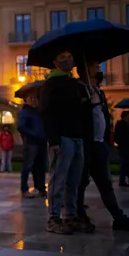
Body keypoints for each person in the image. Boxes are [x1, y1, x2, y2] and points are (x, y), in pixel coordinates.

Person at [75, 61, 129, 232]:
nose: (99, 65)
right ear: (85, 67)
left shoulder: (98, 90)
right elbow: (73, 115)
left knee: (105, 183)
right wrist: (86, 102)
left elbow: (104, 117)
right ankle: (79, 216)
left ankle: (118, 217)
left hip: (99, 144)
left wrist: (106, 141)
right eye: (95, 64)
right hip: (86, 144)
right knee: (81, 182)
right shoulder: (78, 90)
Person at [40, 50, 87, 235]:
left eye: (69, 56)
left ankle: (71, 215)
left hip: (77, 137)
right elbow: (46, 111)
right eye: (62, 57)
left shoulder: (74, 83)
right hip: (62, 138)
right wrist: (54, 139)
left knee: (73, 180)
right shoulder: (51, 84)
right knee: (58, 179)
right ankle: (53, 218)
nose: (67, 60)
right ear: (55, 62)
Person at [18, 94, 47, 199]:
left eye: (36, 98)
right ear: (26, 99)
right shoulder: (25, 111)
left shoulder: (38, 111)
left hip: (41, 142)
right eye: (32, 98)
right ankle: (24, 188)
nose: (34, 100)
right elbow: (21, 126)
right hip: (31, 142)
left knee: (40, 166)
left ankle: (40, 188)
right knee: (28, 165)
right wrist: (34, 134)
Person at [114, 110, 129, 187]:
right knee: (126, 164)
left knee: (126, 164)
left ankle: (126, 179)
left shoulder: (123, 124)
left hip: (125, 147)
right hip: (124, 147)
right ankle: (127, 180)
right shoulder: (123, 125)